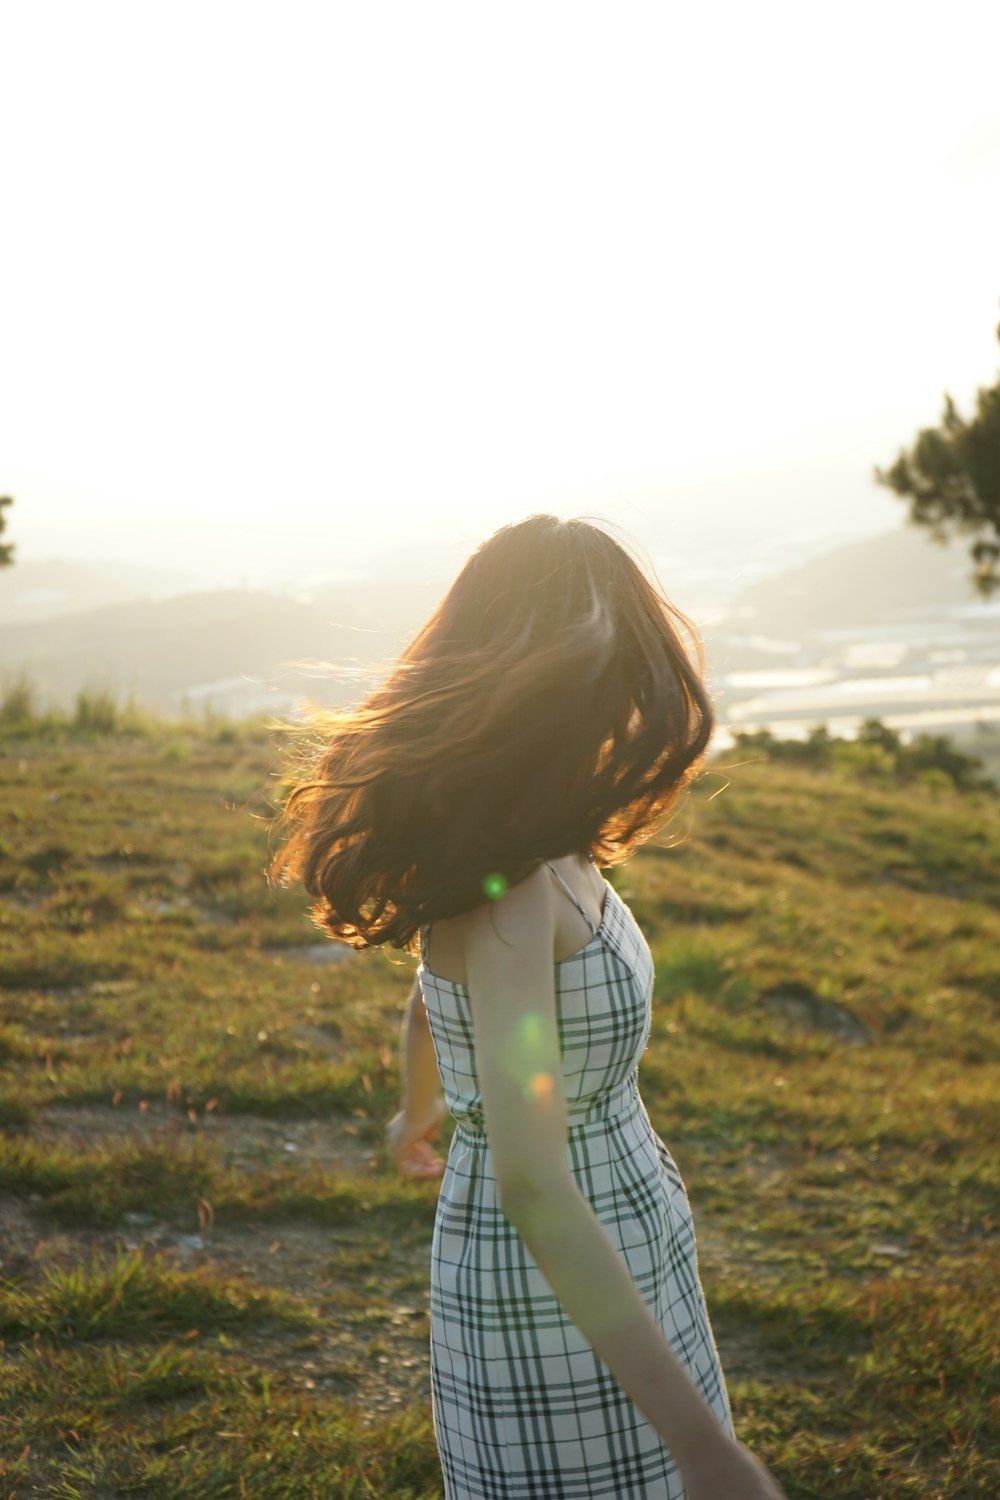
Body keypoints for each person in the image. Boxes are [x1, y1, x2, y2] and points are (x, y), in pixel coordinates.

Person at [269, 515, 787, 1500]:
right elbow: (535, 1188)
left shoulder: (548, 853)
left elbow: (436, 1005)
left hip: (624, 1242)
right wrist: (703, 1449)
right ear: (555, 691)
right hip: (550, 1281)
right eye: (616, 688)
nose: (631, 718)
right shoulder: (516, 895)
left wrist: (416, 1109)